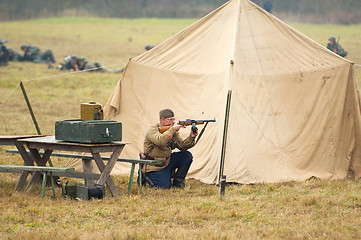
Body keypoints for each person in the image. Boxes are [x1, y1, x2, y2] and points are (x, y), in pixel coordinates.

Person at [142, 108, 198, 189]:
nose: (173, 122)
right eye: (170, 120)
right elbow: (160, 141)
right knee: (164, 187)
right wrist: (172, 129)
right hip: (154, 165)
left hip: (167, 161)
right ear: (163, 120)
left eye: (173, 119)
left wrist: (191, 137)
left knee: (186, 156)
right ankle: (144, 175)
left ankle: (178, 183)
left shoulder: (171, 130)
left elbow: (182, 146)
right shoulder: (152, 129)